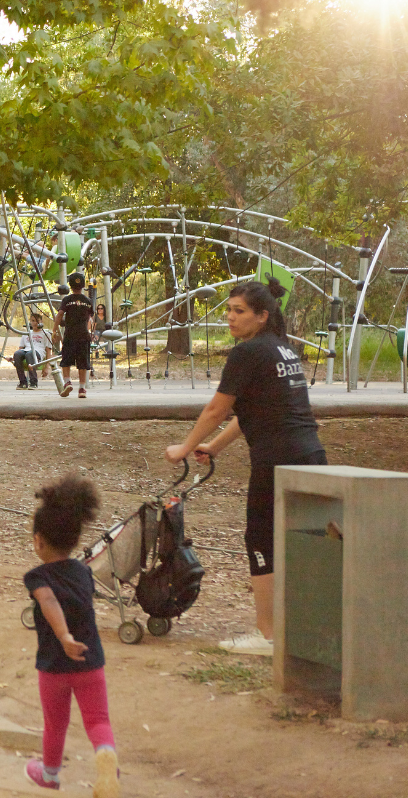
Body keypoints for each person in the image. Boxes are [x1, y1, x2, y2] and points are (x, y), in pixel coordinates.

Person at [164, 278, 325, 656]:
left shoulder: (248, 353)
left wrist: (184, 448)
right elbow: (250, 411)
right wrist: (214, 446)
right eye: (229, 310)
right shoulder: (282, 350)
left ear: (262, 316)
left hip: (277, 460)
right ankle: (308, 628)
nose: (230, 317)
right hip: (311, 455)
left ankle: (267, 636)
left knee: (261, 541)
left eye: (239, 311)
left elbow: (217, 409)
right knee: (303, 541)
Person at [23, 474, 119, 796]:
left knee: (56, 724)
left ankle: (50, 775)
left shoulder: (36, 576)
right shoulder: (84, 571)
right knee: (97, 720)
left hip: (54, 666)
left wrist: (63, 636)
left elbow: (48, 599)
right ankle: (107, 759)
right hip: (90, 662)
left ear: (38, 541)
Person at [53, 271, 94, 398]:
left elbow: (60, 314)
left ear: (70, 285)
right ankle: (82, 389)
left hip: (70, 334)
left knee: (66, 360)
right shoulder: (87, 301)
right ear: (83, 286)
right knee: (83, 363)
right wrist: (90, 333)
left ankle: (67, 382)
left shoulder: (67, 300)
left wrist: (54, 330)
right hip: (83, 335)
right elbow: (91, 319)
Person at [11, 310, 51, 389]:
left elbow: (48, 351)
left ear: (41, 322)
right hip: (26, 351)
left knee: (30, 354)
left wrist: (47, 366)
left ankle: (33, 382)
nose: (35, 323)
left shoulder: (46, 334)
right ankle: (22, 382)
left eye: (37, 321)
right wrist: (14, 358)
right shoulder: (26, 334)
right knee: (17, 354)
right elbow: (21, 348)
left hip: (38, 352)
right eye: (32, 321)